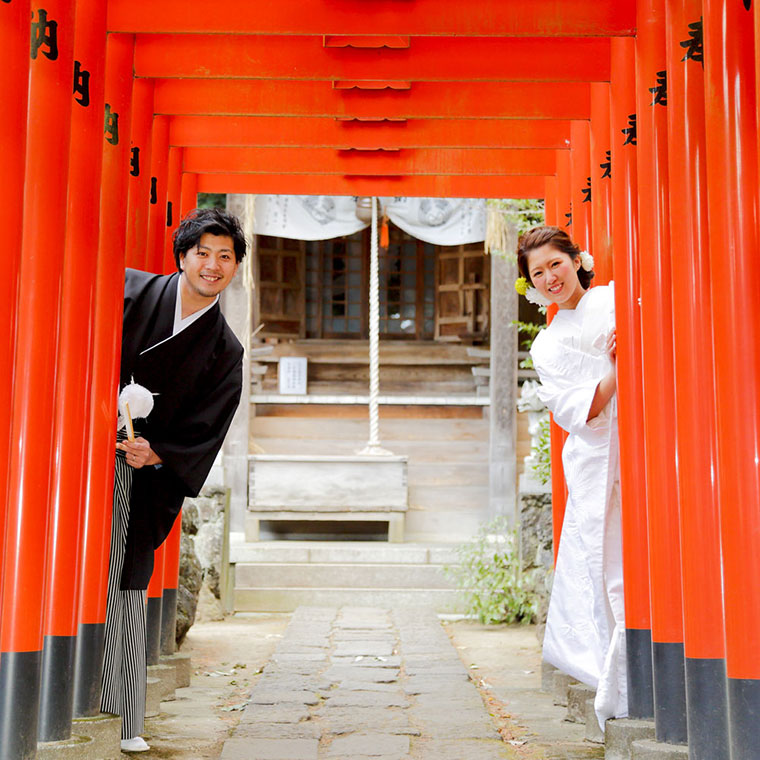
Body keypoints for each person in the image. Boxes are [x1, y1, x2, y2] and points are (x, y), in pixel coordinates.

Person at [101, 208, 247, 752]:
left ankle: (122, 715)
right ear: (182, 256)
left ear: (235, 268)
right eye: (202, 254)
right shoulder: (128, 293)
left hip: (143, 475)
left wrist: (157, 450)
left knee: (125, 580)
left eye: (224, 257)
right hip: (81, 458)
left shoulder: (225, 349)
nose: (212, 266)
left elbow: (208, 425)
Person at [516, 225, 626, 731]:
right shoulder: (545, 346)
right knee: (602, 562)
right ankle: (613, 672)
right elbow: (580, 408)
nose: (549, 277)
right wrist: (621, 367)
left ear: (577, 259)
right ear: (532, 285)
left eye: (555, 264)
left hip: (639, 438)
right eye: (538, 273)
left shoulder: (614, 299)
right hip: (594, 452)